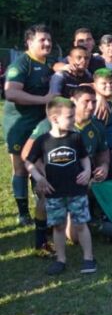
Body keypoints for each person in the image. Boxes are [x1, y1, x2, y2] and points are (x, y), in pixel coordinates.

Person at [25, 97, 96, 275]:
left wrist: (87, 171)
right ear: (55, 119)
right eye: (70, 117)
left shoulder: (75, 137)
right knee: (58, 226)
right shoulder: (43, 141)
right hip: (54, 192)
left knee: (81, 224)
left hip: (76, 190)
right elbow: (28, 162)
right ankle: (60, 259)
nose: (74, 119)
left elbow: (84, 158)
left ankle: (88, 258)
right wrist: (39, 178)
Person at [4, 24, 55, 226]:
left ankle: (41, 207)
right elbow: (11, 93)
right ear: (29, 42)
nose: (47, 43)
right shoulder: (20, 65)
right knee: (21, 169)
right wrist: (44, 100)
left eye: (49, 39)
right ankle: (23, 213)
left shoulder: (48, 62)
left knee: (40, 164)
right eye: (42, 40)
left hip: (41, 124)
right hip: (20, 125)